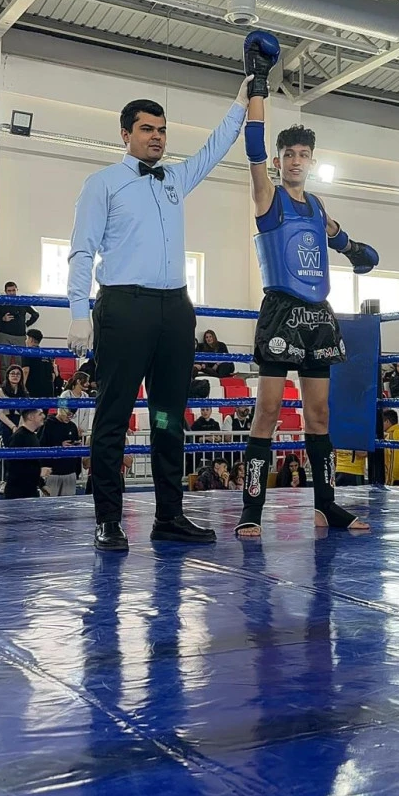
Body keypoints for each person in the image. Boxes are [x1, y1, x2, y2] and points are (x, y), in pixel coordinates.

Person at [67, 82, 250, 550]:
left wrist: (241, 100)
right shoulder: (102, 183)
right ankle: (108, 519)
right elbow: (82, 251)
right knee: (113, 417)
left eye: (162, 130)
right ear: (125, 134)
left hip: (175, 309)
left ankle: (169, 515)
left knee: (169, 416)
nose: (156, 137)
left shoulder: (175, 179)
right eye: (147, 129)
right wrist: (78, 311)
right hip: (124, 307)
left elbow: (214, 148)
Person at [236, 35, 376, 536]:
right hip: (281, 311)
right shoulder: (267, 196)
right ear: (279, 161)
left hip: (318, 315)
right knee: (268, 412)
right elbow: (253, 148)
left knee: (319, 416)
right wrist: (258, 84)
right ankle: (251, 511)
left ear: (312, 160)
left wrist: (357, 253)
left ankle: (326, 505)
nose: (295, 160)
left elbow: (341, 240)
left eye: (303, 154)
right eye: (288, 154)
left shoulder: (317, 206)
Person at [0, 282, 40, 372]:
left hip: (20, 336)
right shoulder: (1, 303)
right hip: (4, 335)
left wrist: (26, 324)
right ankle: (5, 381)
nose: (12, 293)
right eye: (9, 291)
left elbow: (36, 314)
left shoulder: (22, 301)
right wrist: (2, 319)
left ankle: (20, 381)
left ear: (16, 290)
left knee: (21, 363)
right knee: (5, 364)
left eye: (13, 290)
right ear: (5, 291)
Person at [4, 408, 47, 499]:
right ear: (30, 417)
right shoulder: (19, 437)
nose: (43, 416)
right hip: (18, 492)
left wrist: (41, 484)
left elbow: (33, 462)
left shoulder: (32, 436)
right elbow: (14, 466)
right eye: (40, 414)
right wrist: (39, 472)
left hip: (29, 489)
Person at [40, 403, 82, 496]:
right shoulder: (47, 425)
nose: (69, 417)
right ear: (61, 410)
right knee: (49, 503)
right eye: (68, 414)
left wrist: (77, 447)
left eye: (72, 415)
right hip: (52, 473)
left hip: (70, 472)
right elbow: (41, 446)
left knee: (69, 504)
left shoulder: (72, 426)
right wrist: (59, 445)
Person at [0, 364, 28, 445]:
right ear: (7, 375)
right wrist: (13, 427)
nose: (15, 376)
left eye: (18, 374)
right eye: (12, 373)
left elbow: (24, 412)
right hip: (4, 423)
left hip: (19, 422)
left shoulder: (24, 393)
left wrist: (20, 427)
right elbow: (0, 414)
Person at [22, 329, 55, 400]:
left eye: (27, 338)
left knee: (32, 407)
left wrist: (22, 386)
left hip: (33, 389)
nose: (25, 341)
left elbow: (25, 371)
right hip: (48, 390)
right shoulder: (46, 354)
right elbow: (53, 375)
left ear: (30, 339)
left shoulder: (28, 352)